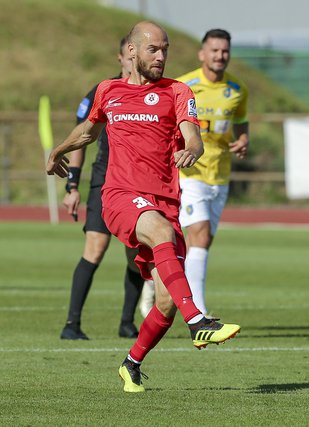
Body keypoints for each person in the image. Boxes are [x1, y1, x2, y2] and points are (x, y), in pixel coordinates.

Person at [46, 21, 241, 393]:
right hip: (119, 195)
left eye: (165, 49)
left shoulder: (178, 91)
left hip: (164, 200)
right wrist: (58, 151)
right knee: (160, 233)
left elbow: (193, 138)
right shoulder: (109, 90)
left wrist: (192, 150)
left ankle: (131, 364)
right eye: (154, 49)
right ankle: (198, 321)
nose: (162, 56)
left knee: (166, 302)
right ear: (132, 52)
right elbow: (89, 131)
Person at [139, 29, 249, 317]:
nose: (219, 56)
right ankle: (198, 311)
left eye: (224, 51)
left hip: (219, 174)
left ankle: (157, 278)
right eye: (214, 50)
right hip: (189, 172)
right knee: (198, 235)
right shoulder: (183, 85)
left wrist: (243, 139)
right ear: (202, 54)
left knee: (200, 240)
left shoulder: (237, 90)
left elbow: (241, 121)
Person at [60, 36, 144, 341]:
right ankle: (71, 325)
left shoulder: (153, 93)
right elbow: (82, 137)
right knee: (95, 248)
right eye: (128, 58)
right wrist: (72, 185)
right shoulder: (103, 90)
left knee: (136, 256)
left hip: (137, 185)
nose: (133, 63)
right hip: (103, 182)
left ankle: (126, 322)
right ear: (120, 58)